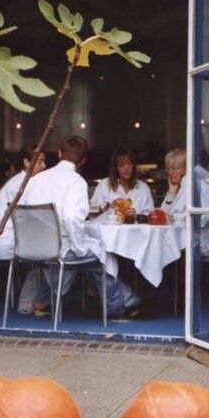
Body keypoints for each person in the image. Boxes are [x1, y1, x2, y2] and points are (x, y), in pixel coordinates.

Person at [22, 134, 140, 318]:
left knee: (78, 256)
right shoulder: (76, 182)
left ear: (59, 153)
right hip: (59, 250)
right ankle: (118, 307)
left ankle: (42, 302)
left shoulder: (36, 180)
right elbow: (71, 218)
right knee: (102, 253)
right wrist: (80, 248)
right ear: (83, 161)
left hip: (31, 247)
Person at [161, 148, 209, 256]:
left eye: (175, 168)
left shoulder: (197, 186)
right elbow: (163, 215)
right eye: (168, 169)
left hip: (203, 243)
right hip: (190, 240)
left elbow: (203, 218)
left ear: (186, 168)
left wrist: (174, 218)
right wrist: (171, 192)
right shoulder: (185, 185)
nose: (170, 172)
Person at [0, 144, 46, 261]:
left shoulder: (18, 180)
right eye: (40, 162)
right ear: (26, 162)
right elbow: (33, 218)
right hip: (9, 244)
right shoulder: (24, 184)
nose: (44, 166)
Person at [91, 146, 154, 215]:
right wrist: (108, 207)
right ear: (115, 168)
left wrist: (137, 216)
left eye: (129, 164)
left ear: (133, 166)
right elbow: (92, 211)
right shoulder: (104, 185)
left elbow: (150, 215)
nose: (126, 168)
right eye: (121, 165)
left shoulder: (143, 188)